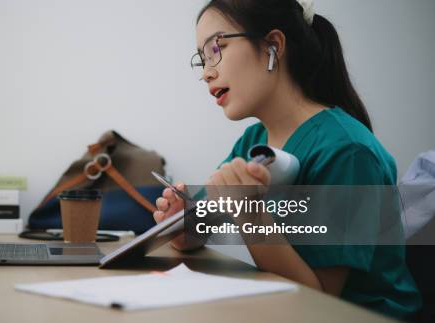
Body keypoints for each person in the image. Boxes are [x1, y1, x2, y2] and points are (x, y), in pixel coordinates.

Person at [153, 0, 421, 319]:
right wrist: (182, 224)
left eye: (216, 48)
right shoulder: (254, 142)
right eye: (202, 59)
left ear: (273, 45)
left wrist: (250, 217)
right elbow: (198, 229)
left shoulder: (347, 151)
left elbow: (317, 302)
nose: (207, 73)